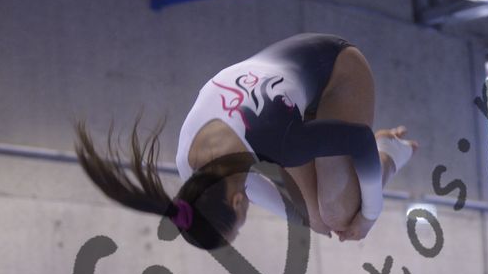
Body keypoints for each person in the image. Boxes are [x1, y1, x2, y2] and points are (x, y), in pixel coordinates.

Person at [75, 34, 416, 250]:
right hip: (287, 104)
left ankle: (391, 151)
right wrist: (311, 222)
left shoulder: (278, 141)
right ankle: (323, 145)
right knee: (316, 218)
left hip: (337, 70)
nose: (244, 220)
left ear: (237, 203)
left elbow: (358, 140)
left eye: (238, 226)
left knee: (340, 214)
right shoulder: (193, 170)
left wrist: (369, 216)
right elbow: (278, 203)